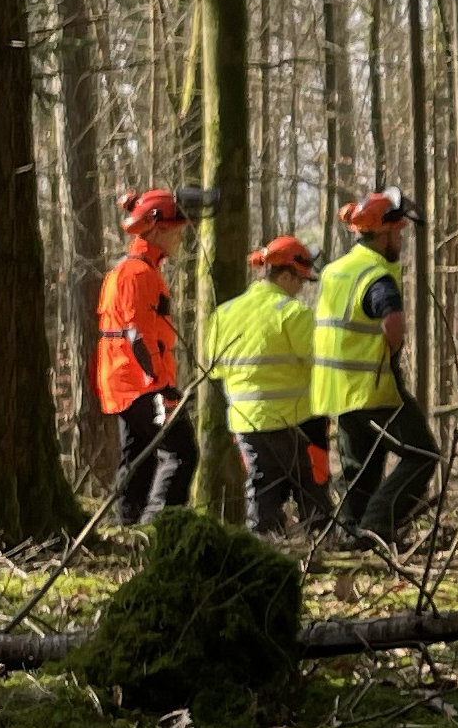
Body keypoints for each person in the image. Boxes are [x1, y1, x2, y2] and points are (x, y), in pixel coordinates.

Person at [311, 188, 441, 545]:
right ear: (382, 233)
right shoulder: (377, 275)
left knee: (361, 469)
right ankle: (377, 525)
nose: (400, 240)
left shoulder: (335, 271)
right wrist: (389, 352)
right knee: (422, 453)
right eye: (398, 233)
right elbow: (393, 326)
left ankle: (351, 537)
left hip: (337, 390)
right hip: (374, 387)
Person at [210, 236, 328, 534]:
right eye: (299, 281)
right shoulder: (292, 313)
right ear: (285, 275)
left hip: (244, 421)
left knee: (262, 486)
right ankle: (320, 540)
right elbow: (318, 361)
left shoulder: (224, 314)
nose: (300, 289)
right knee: (310, 486)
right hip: (291, 419)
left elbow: (215, 369)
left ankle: (263, 542)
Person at [96, 188, 200, 522]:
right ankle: (159, 525)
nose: (181, 239)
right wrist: (159, 384)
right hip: (139, 384)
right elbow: (137, 335)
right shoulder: (137, 274)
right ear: (156, 230)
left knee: (137, 458)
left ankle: (128, 527)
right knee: (181, 453)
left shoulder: (141, 270)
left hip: (129, 382)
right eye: (178, 231)